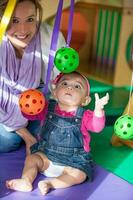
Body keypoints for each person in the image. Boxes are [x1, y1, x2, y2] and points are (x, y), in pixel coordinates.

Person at [6, 71, 109, 195]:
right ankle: (26, 180)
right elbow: (31, 115)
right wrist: (27, 106)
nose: (69, 87)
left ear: (85, 100)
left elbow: (97, 127)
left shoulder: (85, 115)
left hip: (72, 161)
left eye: (77, 86)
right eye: (64, 83)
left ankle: (51, 183)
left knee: (80, 174)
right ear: (55, 93)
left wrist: (98, 110)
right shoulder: (46, 107)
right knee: (31, 159)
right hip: (46, 156)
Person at [0, 0, 66, 154]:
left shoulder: (50, 37)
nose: (23, 30)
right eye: (14, 20)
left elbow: (62, 82)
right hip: (5, 102)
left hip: (41, 98)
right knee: (7, 141)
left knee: (52, 136)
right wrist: (26, 136)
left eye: (30, 19)